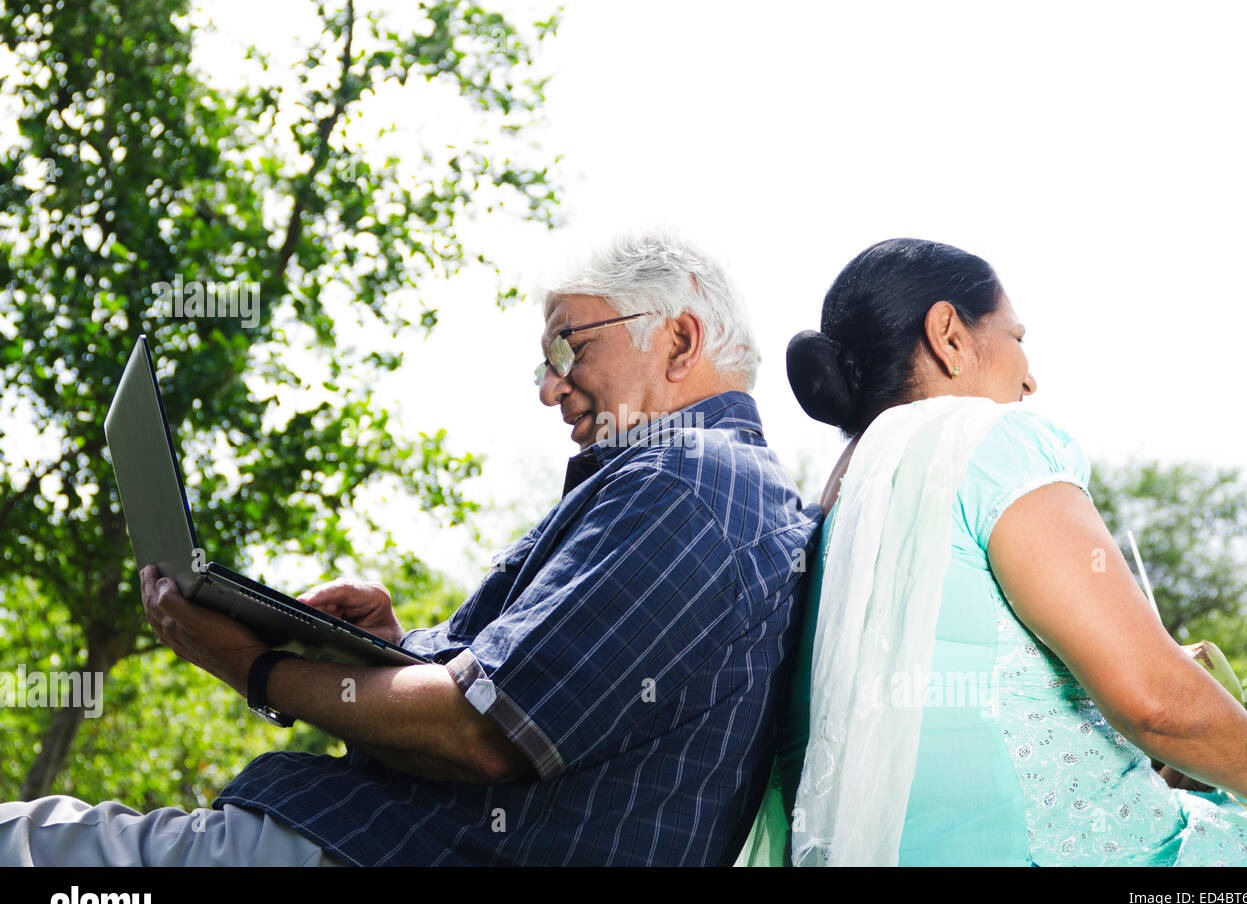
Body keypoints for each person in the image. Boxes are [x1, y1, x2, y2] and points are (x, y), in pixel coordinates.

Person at [0, 229, 821, 866]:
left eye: (569, 347)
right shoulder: (698, 489)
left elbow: (485, 732)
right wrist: (392, 650)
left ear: (677, 340)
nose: (547, 386)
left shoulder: (692, 482)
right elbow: (510, 687)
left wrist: (252, 668)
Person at [740, 237, 1247, 866]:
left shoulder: (826, 518)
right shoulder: (989, 439)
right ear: (949, 335)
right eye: (1017, 337)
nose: (1031, 378)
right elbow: (1158, 705)